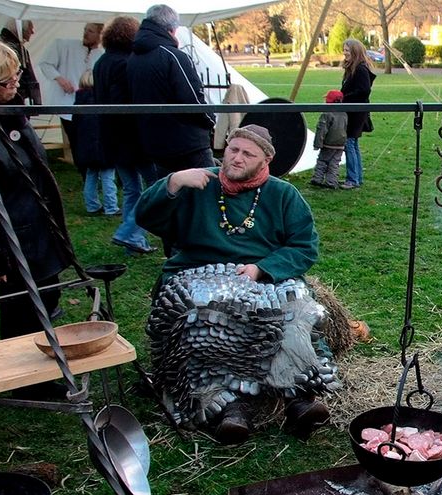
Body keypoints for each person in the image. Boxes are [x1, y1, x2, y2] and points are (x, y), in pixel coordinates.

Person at [136, 125, 336, 444]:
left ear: (266, 159)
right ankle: (229, 406)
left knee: (294, 310)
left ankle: (298, 396)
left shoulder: (283, 194)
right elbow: (146, 218)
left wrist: (262, 268)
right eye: (233, 150)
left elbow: (304, 246)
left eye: (248, 154)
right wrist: (171, 184)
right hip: (196, 270)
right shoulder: (198, 182)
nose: (237, 158)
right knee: (199, 319)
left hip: (264, 274)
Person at [0, 37, 74, 343]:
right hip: (13, 237)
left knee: (47, 300)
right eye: (4, 79)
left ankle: (41, 369)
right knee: (22, 313)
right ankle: (28, 379)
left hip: (39, 228)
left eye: (16, 75)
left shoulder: (9, 113)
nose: (14, 83)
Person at [92, 15, 158, 255]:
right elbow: (124, 105)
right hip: (130, 139)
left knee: (132, 189)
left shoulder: (102, 62)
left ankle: (134, 240)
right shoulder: (124, 63)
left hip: (111, 137)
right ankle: (128, 231)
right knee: (155, 186)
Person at [127, 4, 214, 177]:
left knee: (170, 194)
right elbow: (192, 100)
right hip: (187, 143)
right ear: (172, 29)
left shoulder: (134, 58)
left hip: (155, 142)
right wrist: (210, 120)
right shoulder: (173, 56)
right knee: (206, 194)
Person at [37, 23, 103, 162]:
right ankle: (84, 168)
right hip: (67, 103)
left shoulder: (101, 55)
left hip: (88, 105)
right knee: (75, 138)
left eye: (90, 31)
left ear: (100, 35)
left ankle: (89, 168)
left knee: (88, 139)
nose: (85, 33)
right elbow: (45, 63)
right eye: (85, 29)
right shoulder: (64, 45)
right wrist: (60, 79)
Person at [72, 70, 120, 217]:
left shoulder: (78, 103)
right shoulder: (103, 100)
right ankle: (111, 207)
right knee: (107, 176)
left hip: (86, 147)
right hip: (103, 146)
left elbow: (75, 126)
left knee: (91, 175)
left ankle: (92, 205)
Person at [339, 38, 375, 190]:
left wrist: (344, 98)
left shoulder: (360, 69)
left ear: (355, 51)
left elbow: (364, 90)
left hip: (356, 112)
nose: (345, 53)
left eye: (347, 50)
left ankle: (352, 179)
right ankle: (357, 178)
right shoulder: (353, 68)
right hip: (353, 111)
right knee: (353, 144)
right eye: (344, 50)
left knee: (349, 143)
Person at [0, 18, 41, 105]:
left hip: (15, 98)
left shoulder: (8, 46)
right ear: (20, 30)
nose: (33, 32)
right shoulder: (10, 49)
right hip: (12, 99)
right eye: (30, 28)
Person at [309, 90, 348, 189]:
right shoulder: (344, 113)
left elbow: (321, 130)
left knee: (322, 161)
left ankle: (317, 179)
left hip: (328, 143)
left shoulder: (326, 114)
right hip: (340, 143)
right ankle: (331, 182)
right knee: (334, 163)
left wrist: (317, 144)